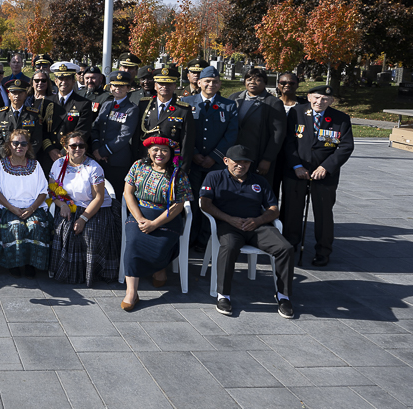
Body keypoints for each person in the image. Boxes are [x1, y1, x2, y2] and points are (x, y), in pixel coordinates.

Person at [200, 144, 295, 319]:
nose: (241, 166)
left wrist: (258, 220)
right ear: (226, 161)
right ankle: (224, 295)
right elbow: (205, 203)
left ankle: (283, 296)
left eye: (245, 162)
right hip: (228, 225)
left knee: (285, 248)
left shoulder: (259, 181)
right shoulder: (215, 177)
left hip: (257, 225)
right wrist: (229, 219)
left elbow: (274, 209)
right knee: (229, 248)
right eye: (236, 162)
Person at [281, 85, 354, 267]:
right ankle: (290, 246)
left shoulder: (340, 119)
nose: (319, 102)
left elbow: (346, 146)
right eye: (316, 97)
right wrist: (296, 165)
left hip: (324, 175)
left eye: (324, 99)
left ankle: (323, 251)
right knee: (291, 211)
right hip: (296, 171)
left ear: (331, 101)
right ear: (308, 97)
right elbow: (288, 141)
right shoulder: (296, 113)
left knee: (323, 214)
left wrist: (326, 167)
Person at [119, 136, 192, 311]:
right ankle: (132, 293)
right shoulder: (138, 166)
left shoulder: (178, 174)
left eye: (164, 150)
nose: (159, 153)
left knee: (161, 247)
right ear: (149, 152)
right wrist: (140, 219)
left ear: (171, 153)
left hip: (166, 218)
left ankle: (159, 268)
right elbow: (128, 193)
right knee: (134, 242)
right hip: (139, 213)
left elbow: (179, 205)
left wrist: (155, 224)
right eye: (155, 149)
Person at [137, 65, 199, 250]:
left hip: (170, 167)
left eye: (169, 83)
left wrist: (183, 170)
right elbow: (136, 137)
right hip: (147, 165)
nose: (165, 87)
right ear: (155, 85)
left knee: (169, 205)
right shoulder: (144, 104)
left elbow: (187, 143)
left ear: (175, 85)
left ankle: (168, 245)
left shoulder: (182, 109)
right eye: (161, 83)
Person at [49, 131, 119, 286]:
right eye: (73, 145)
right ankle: (68, 273)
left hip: (95, 208)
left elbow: (99, 198)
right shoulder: (58, 164)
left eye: (81, 145)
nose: (77, 148)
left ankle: (91, 274)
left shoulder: (94, 167)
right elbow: (52, 190)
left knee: (90, 234)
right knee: (64, 229)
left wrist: (83, 218)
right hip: (70, 205)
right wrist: (62, 205)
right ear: (66, 147)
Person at [0, 129, 53, 278]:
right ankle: (13, 263)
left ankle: (30, 264)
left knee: (35, 225)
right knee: (15, 226)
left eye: (23, 143)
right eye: (15, 143)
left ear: (28, 146)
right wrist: (12, 208)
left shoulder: (36, 165)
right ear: (9, 145)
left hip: (33, 207)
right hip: (7, 207)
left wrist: (32, 208)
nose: (19, 146)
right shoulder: (1, 165)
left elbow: (43, 192)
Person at [184, 67, 238, 220]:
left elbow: (231, 134)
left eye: (215, 82)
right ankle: (191, 239)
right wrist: (193, 153)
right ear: (199, 82)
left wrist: (214, 156)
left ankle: (206, 240)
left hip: (215, 164)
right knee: (192, 201)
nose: (211, 84)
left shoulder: (228, 105)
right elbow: (183, 132)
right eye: (207, 81)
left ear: (220, 84)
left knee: (213, 201)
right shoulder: (186, 102)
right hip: (192, 163)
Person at [227, 67, 286, 188]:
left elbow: (278, 133)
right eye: (249, 79)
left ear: (265, 83)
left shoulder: (273, 102)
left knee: (256, 190)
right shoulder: (234, 98)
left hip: (257, 156)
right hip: (234, 155)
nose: (252, 82)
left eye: (258, 80)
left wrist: (267, 159)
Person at [89, 70, 139, 198]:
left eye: (122, 86)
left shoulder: (131, 109)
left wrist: (103, 152)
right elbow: (95, 127)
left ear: (128, 88)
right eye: (115, 85)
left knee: (115, 196)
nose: (118, 88)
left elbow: (124, 136)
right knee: (98, 195)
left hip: (118, 161)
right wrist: (96, 148)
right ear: (110, 87)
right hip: (99, 159)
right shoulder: (106, 105)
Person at [49, 61, 95, 158]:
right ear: (55, 81)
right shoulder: (47, 102)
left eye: (67, 79)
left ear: (73, 81)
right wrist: (50, 149)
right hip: (49, 154)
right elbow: (43, 129)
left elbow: (82, 131)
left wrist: (63, 151)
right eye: (60, 78)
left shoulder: (83, 103)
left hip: (72, 154)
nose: (64, 82)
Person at [0, 77, 43, 159]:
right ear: (9, 95)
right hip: (6, 158)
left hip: (27, 158)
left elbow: (37, 140)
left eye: (20, 93)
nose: (17, 96)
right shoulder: (1, 114)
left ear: (25, 95)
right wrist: (8, 155)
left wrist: (25, 155)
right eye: (14, 93)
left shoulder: (33, 115)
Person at [26, 71, 64, 161]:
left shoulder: (53, 101)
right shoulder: (25, 99)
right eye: (37, 80)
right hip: (26, 143)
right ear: (32, 83)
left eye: (43, 80)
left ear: (48, 83)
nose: (40, 83)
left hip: (44, 144)